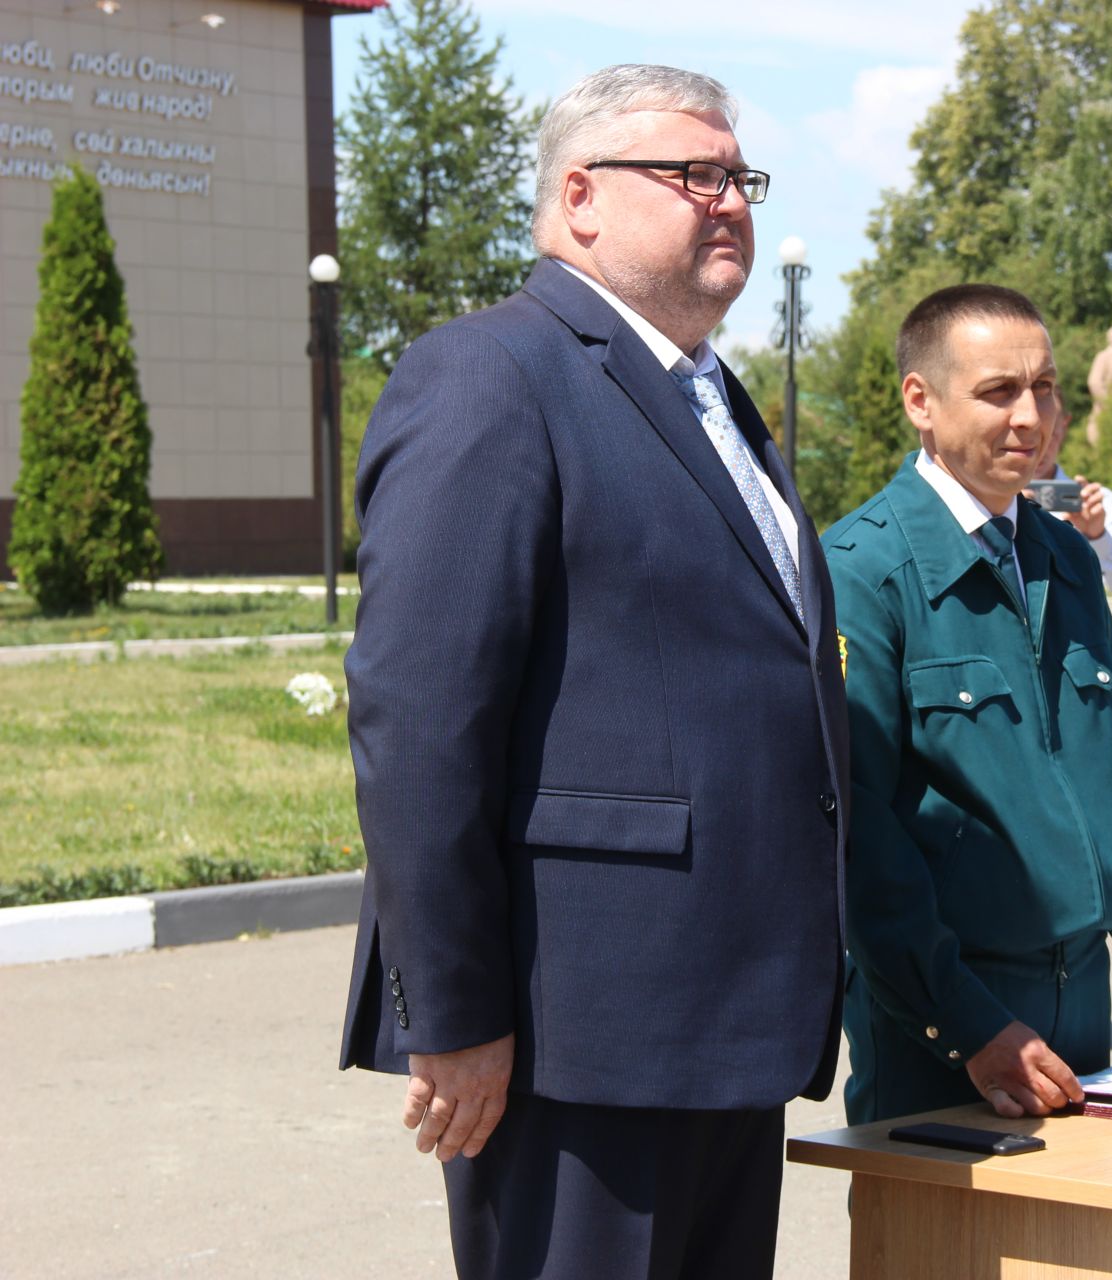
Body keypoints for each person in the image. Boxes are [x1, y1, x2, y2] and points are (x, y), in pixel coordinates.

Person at [337, 65, 847, 1279]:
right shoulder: (494, 374)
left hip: (724, 1023)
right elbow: (418, 717)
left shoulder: (710, 397)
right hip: (575, 1032)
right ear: (579, 198)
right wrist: (453, 1015)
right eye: (693, 176)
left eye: (741, 178)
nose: (729, 201)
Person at [825, 283, 1112, 1126]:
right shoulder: (860, 572)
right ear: (921, 400)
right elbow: (857, 837)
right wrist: (972, 1029)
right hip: (942, 1035)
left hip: (1080, 1020)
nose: (1031, 416)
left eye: (1044, 387)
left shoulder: (1065, 557)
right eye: (997, 392)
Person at [1028, 402, 1112, 604]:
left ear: (1063, 425)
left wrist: (1098, 537)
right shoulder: (979, 502)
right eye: (1027, 431)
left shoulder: (1093, 504)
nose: (1038, 444)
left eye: (1050, 431)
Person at [1084, 324, 1112, 447]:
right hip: (1106, 409)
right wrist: (1108, 403)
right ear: (1111, 338)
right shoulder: (1104, 356)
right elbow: (1094, 382)